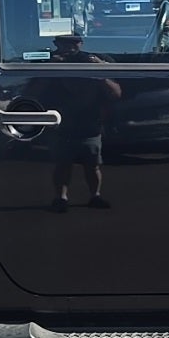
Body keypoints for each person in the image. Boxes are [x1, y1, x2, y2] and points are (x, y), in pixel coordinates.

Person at [41, 34, 120, 212]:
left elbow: (116, 94)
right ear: (56, 44)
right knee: (62, 165)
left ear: (81, 44)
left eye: (74, 43)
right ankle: (60, 198)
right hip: (61, 124)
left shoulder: (93, 60)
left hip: (90, 124)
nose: (69, 48)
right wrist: (49, 69)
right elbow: (33, 90)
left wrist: (100, 71)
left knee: (93, 165)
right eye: (64, 43)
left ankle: (95, 196)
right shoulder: (48, 60)